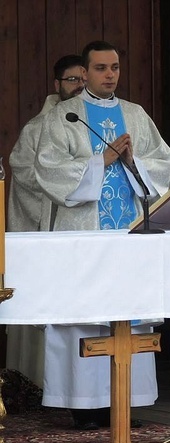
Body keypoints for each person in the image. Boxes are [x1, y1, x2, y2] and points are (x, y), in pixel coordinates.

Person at [34, 40, 170, 429]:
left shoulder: (135, 114)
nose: (109, 74)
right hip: (83, 236)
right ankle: (84, 404)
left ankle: (126, 401)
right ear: (86, 70)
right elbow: (48, 169)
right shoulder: (64, 116)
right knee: (85, 315)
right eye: (100, 68)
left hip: (128, 232)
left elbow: (164, 165)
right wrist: (101, 160)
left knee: (127, 315)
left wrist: (133, 161)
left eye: (114, 67)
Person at [5, 54, 85, 388]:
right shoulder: (38, 127)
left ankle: (79, 386)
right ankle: (39, 381)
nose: (79, 86)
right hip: (50, 224)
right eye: (72, 80)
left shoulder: (95, 122)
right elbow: (24, 172)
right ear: (57, 85)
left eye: (84, 79)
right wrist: (70, 179)